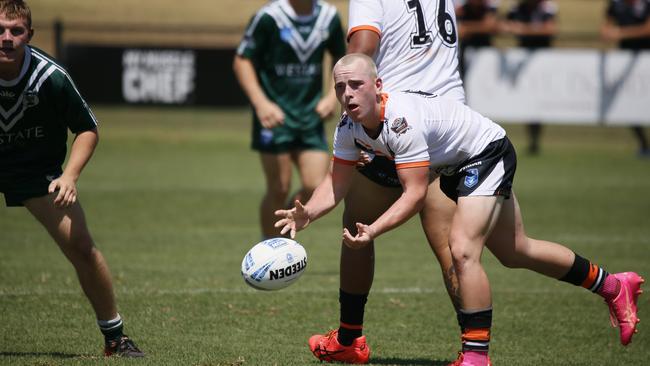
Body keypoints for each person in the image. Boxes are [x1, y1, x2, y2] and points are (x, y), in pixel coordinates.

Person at [275, 54, 644, 366]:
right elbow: (336, 183)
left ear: (378, 84)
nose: (347, 94)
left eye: (355, 84)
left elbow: (415, 194)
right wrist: (308, 212)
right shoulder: (348, 127)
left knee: (463, 248)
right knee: (517, 251)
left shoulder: (401, 122)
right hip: (458, 166)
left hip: (486, 153)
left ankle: (475, 357)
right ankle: (613, 285)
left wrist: (373, 230)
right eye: (340, 87)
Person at [303, 0, 467, 363]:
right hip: (449, 126)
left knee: (356, 224)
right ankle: (473, 350)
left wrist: (342, 98)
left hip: (397, 124)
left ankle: (349, 338)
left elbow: (361, 47)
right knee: (454, 248)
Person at [0, 0, 143, 357]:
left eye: (16, 31)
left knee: (80, 245)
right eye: (0, 30)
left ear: (29, 35)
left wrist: (69, 176)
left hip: (37, 171)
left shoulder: (51, 77)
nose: (6, 38)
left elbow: (87, 128)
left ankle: (116, 338)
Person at [233, 0, 346, 239]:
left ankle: (286, 231)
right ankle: (269, 248)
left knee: (316, 185)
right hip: (275, 118)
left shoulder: (329, 17)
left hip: (310, 118)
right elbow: (242, 60)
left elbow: (342, 56)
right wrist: (261, 103)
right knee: (279, 188)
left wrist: (331, 96)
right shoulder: (269, 17)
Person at [501, 0, 558, 155]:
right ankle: (528, 140)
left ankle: (535, 140)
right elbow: (504, 26)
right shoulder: (517, 8)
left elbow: (550, 29)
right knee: (526, 102)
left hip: (543, 61)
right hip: (522, 59)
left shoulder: (547, 7)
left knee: (539, 102)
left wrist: (523, 29)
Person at [600, 0, 650, 158]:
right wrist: (607, 32)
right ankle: (644, 145)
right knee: (629, 104)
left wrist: (620, 32)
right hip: (625, 59)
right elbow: (605, 28)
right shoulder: (615, 5)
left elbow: (648, 29)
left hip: (646, 58)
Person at [455, 0, 500, 78]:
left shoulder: (488, 9)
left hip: (486, 54)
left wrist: (468, 28)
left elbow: (492, 27)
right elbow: (460, 31)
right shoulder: (462, 10)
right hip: (466, 53)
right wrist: (482, 26)